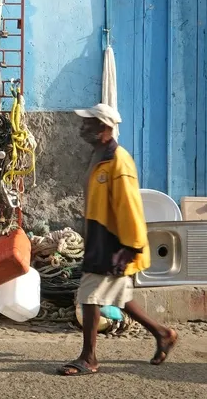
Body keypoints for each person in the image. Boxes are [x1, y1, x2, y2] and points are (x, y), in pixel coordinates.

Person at [58, 103, 178, 376]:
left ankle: (89, 359)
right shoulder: (99, 155)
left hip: (114, 242)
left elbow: (130, 206)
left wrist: (132, 247)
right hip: (101, 237)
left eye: (88, 123)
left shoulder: (118, 160)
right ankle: (163, 333)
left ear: (104, 127)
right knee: (121, 297)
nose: (82, 127)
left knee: (89, 296)